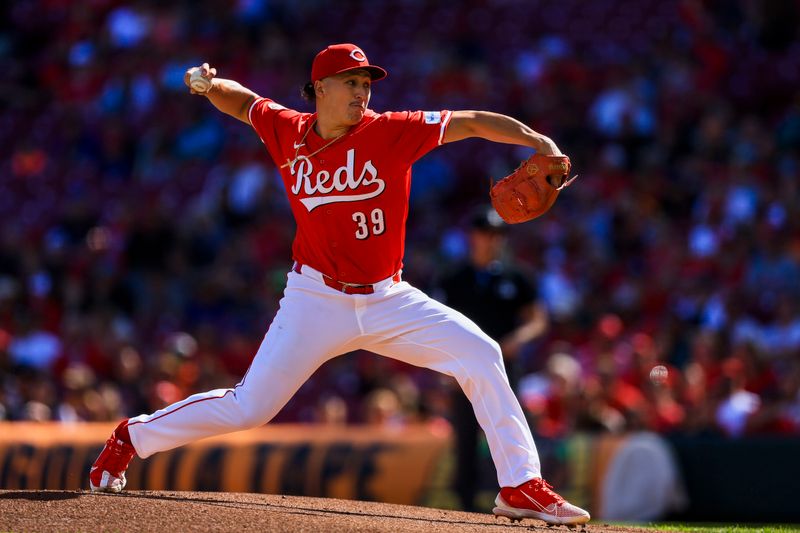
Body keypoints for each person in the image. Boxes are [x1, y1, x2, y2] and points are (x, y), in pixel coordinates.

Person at [88, 43, 589, 526]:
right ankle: (132, 437)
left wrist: (537, 141)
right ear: (319, 87)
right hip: (316, 299)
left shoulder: (393, 131)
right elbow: (243, 102)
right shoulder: (288, 130)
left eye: (366, 82)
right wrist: (209, 84)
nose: (361, 92)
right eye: (350, 82)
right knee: (250, 407)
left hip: (388, 297)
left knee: (481, 353)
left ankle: (520, 484)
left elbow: (473, 121)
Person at [435, 207, 549, 511]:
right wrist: (442, 365)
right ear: (473, 236)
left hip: (506, 368)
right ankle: (466, 507)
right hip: (463, 370)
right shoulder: (454, 279)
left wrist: (518, 339)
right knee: (465, 436)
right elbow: (436, 324)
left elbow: (537, 319)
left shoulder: (517, 276)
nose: (492, 240)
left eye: (498, 234)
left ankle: (524, 493)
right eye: (487, 233)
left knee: (510, 429)